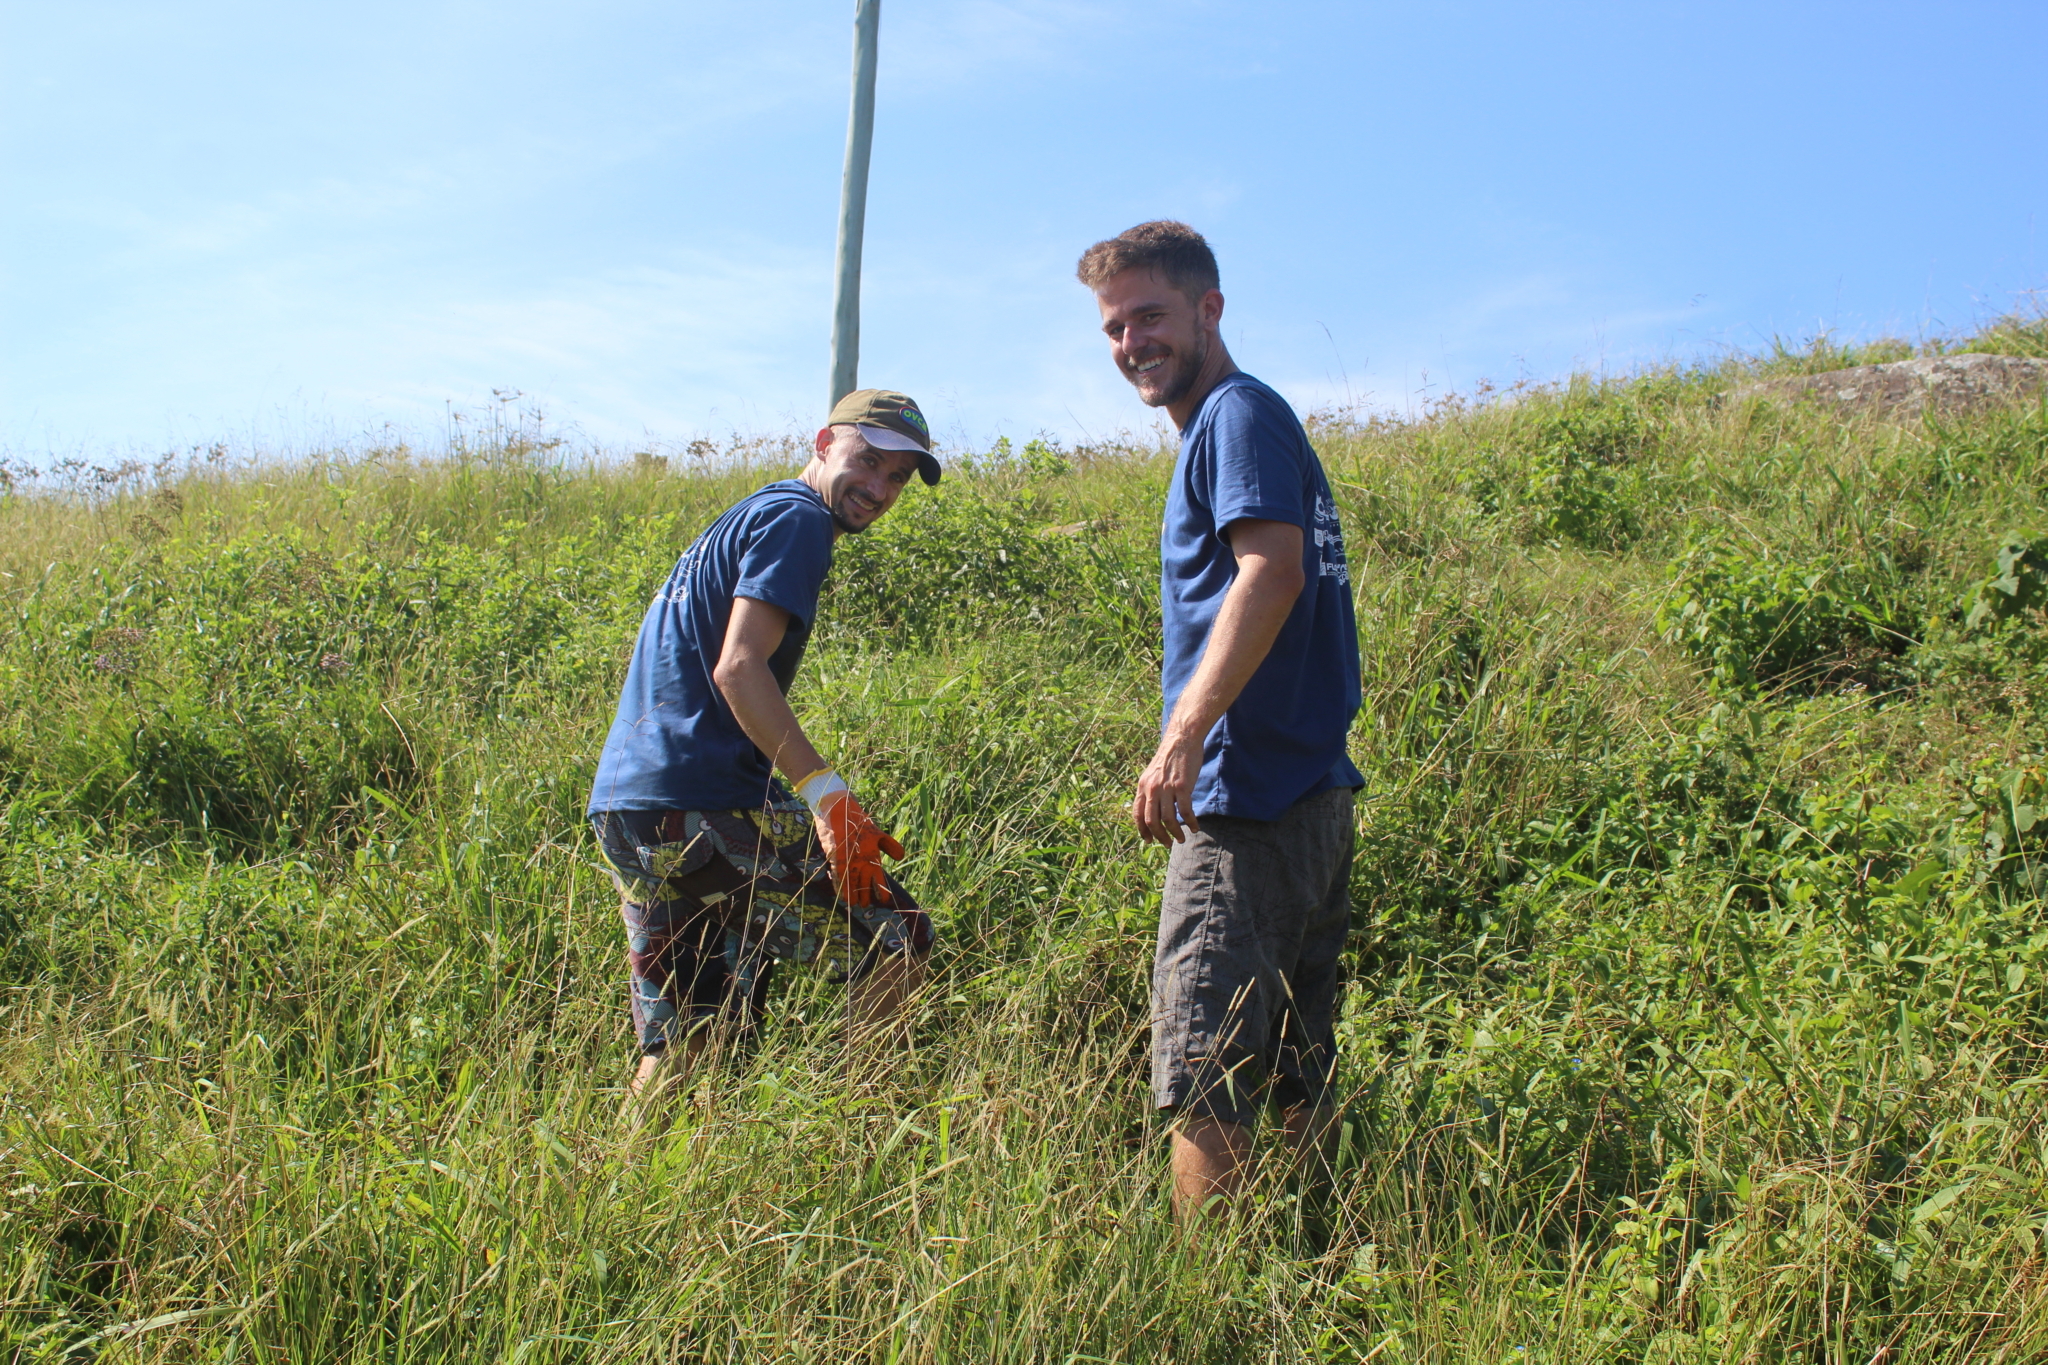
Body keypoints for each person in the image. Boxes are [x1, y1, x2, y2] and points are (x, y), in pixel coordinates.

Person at [1076, 222, 1363, 1219]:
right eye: (1113, 326)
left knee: (1201, 1069)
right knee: (1291, 1069)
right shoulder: (1241, 423)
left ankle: (1210, 1312)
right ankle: (1302, 1263)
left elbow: (1269, 571)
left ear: (1209, 308)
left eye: (1148, 315)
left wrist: (1182, 733)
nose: (1130, 343)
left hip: (1247, 803)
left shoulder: (1234, 417)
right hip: (1309, 796)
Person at [586, 389, 941, 1107]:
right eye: (868, 460)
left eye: (899, 477)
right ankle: (847, 1145)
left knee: (691, 1045)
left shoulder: (753, 514)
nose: (879, 487)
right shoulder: (797, 520)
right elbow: (739, 668)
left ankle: (613, 1198)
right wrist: (825, 793)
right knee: (898, 941)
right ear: (823, 442)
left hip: (632, 808)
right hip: (702, 802)